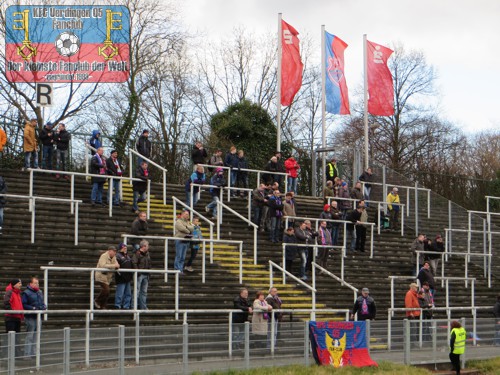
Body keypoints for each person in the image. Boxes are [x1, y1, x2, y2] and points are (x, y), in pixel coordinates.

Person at [22, 276, 46, 357]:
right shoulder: (26, 292)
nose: (37, 284)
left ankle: (35, 353)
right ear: (31, 284)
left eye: (38, 283)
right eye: (35, 283)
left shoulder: (39, 292)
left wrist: (43, 307)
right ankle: (27, 354)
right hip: (30, 317)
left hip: (38, 316)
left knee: (36, 336)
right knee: (30, 336)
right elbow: (24, 304)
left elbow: (42, 302)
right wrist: (33, 308)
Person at [3, 279, 23, 357]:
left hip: (17, 317)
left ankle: (16, 355)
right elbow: (6, 303)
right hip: (11, 318)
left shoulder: (17, 293)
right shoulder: (10, 292)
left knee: (17, 338)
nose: (20, 284)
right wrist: (12, 311)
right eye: (19, 283)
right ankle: (7, 355)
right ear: (14, 284)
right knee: (10, 337)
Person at [132, 240, 151, 310]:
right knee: (136, 291)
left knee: (144, 292)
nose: (148, 247)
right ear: (143, 246)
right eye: (147, 245)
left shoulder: (147, 254)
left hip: (146, 275)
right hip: (139, 275)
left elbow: (149, 263)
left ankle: (143, 306)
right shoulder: (137, 253)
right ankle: (133, 307)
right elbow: (134, 263)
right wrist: (138, 273)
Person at [174, 210, 194, 274]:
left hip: (186, 241)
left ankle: (181, 270)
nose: (187, 215)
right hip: (179, 240)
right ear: (182, 214)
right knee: (179, 256)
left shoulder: (188, 222)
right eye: (186, 214)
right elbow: (181, 228)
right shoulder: (178, 221)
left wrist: (186, 227)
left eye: (188, 214)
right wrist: (188, 230)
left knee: (183, 257)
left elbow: (193, 228)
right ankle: (177, 269)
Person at [114, 243, 133, 309]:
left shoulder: (127, 256)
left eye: (125, 247)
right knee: (120, 293)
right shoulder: (117, 256)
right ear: (120, 248)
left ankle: (126, 306)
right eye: (123, 248)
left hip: (128, 277)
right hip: (121, 277)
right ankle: (117, 305)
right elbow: (116, 266)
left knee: (128, 294)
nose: (125, 248)